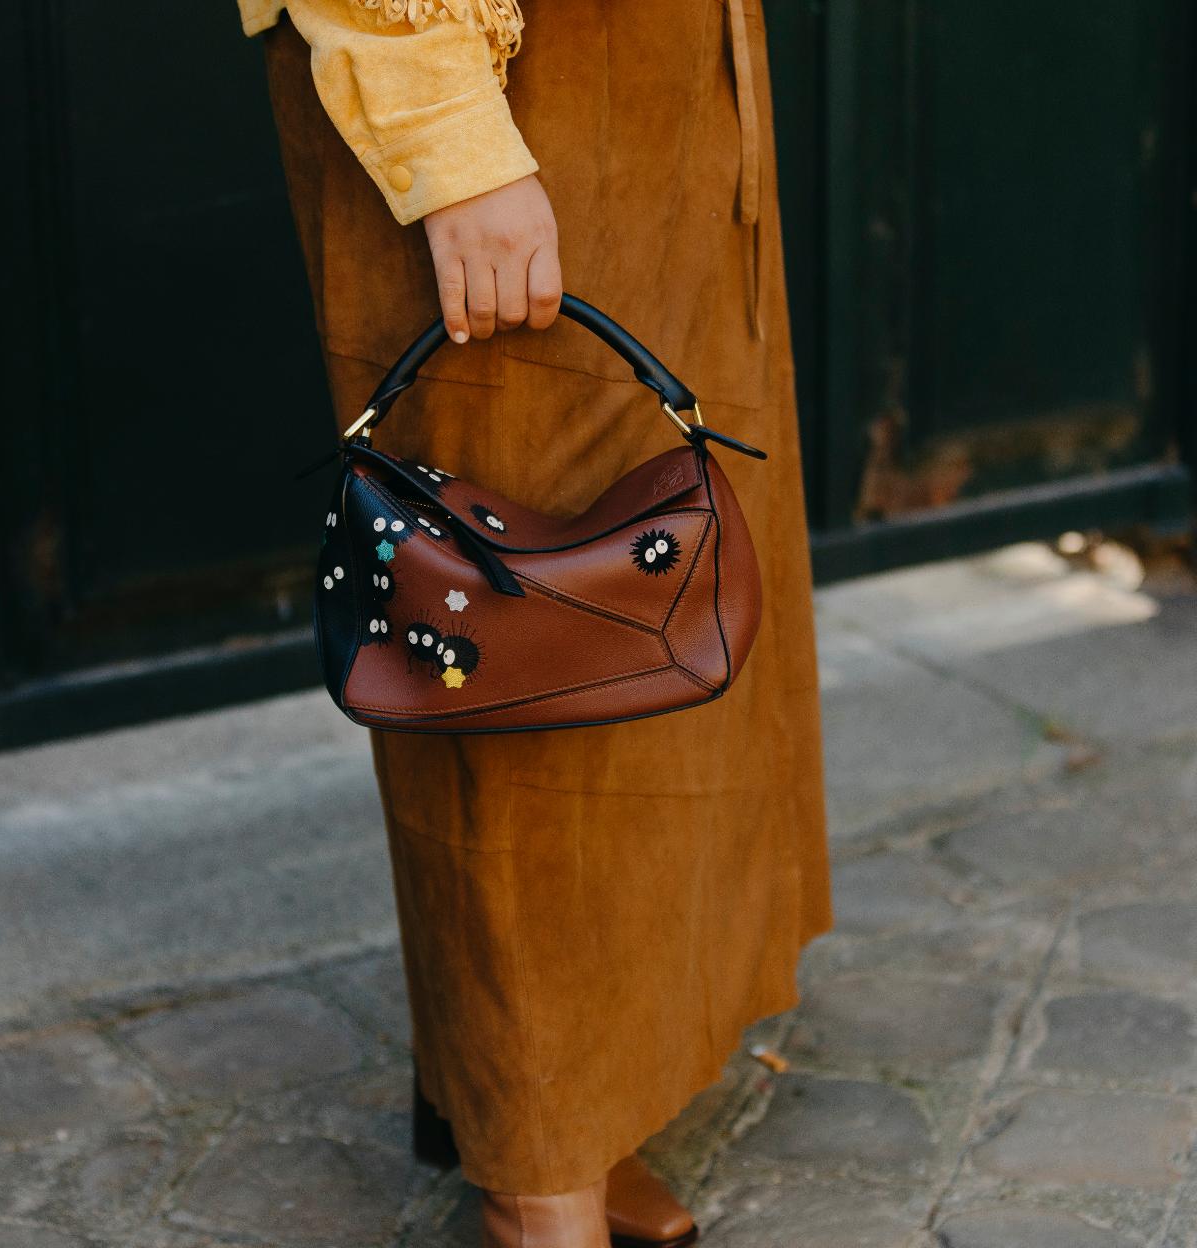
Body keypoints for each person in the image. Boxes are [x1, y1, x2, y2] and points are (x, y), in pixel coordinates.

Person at [238, 1, 833, 1243]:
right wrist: (452, 137)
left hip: (663, 75)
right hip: (504, 66)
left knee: (652, 632)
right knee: (511, 648)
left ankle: (585, 1109)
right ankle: (536, 1182)